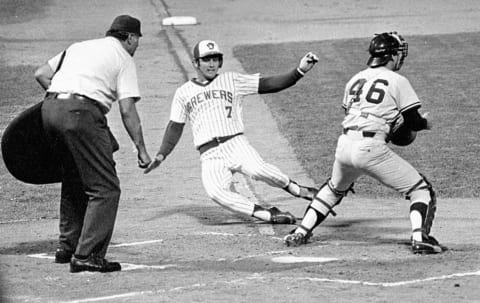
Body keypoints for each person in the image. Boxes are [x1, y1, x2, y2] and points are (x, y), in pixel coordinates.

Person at [283, 32, 445, 255]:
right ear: (391, 55)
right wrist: (426, 123)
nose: (400, 57)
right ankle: (420, 238)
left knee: (333, 189)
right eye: (398, 53)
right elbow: (413, 122)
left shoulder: (354, 79)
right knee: (421, 190)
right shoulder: (398, 80)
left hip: (345, 145)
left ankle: (301, 231)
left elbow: (357, 113)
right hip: (371, 148)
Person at [144, 40, 318, 224]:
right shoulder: (183, 92)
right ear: (196, 63)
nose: (211, 64)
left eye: (215, 59)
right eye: (206, 59)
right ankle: (266, 214)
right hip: (209, 153)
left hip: (235, 143)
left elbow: (270, 84)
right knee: (215, 192)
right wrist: (162, 154)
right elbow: (175, 126)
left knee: (259, 170)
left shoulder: (231, 80)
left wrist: (299, 71)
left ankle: (296, 189)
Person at [34, 15, 151, 272]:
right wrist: (141, 148)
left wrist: (64, 101)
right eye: (137, 40)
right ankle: (87, 255)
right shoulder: (123, 58)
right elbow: (127, 109)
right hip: (81, 114)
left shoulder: (79, 47)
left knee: (75, 176)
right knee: (106, 188)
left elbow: (41, 73)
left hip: (49, 109)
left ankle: (68, 246)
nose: (137, 45)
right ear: (130, 38)